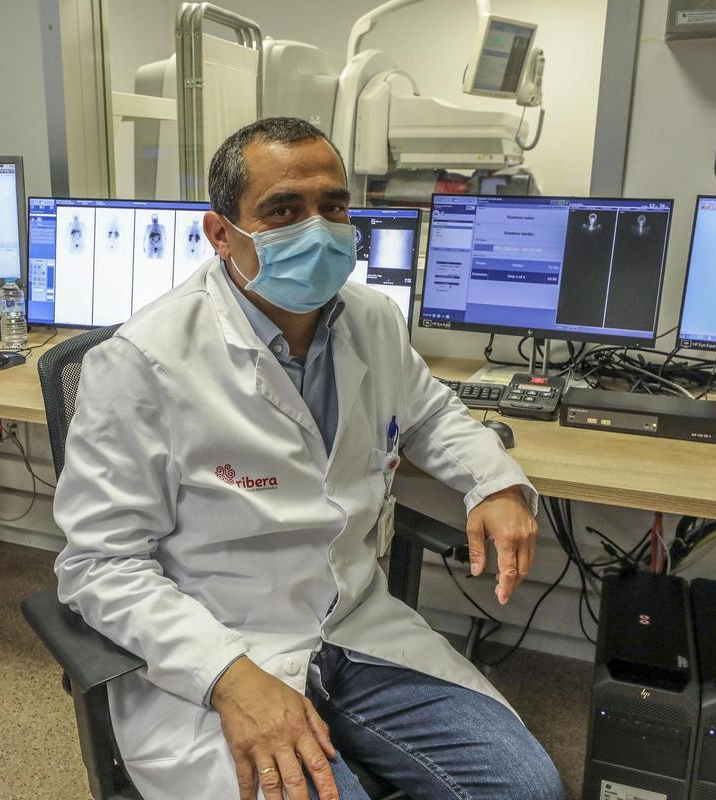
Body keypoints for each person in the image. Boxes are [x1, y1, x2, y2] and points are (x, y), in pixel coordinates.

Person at [53, 117, 563, 800]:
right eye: (284, 210)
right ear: (219, 233)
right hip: (223, 649)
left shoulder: (371, 319)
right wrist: (228, 677)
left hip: (354, 627)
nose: (318, 229)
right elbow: (99, 565)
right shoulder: (144, 362)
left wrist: (493, 482)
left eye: (333, 205)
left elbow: (432, 412)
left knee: (529, 790)